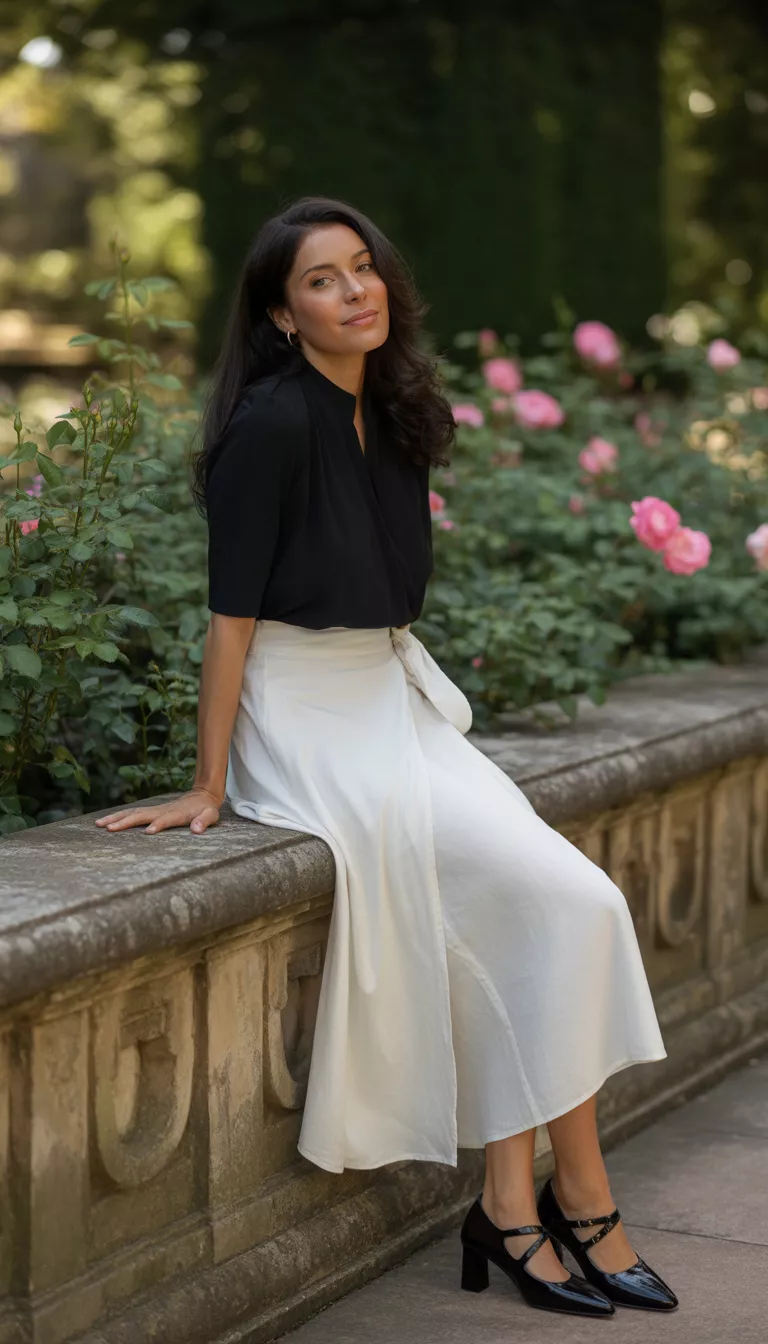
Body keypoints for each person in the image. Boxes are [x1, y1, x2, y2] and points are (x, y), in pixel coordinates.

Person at [95, 196, 678, 1318]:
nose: (355, 290)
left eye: (363, 268)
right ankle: (567, 1207)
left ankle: (522, 1200)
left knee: (572, 902)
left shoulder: (402, 407)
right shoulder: (269, 425)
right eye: (322, 279)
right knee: (542, 899)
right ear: (279, 313)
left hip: (391, 694)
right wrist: (212, 781)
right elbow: (231, 623)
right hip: (304, 714)